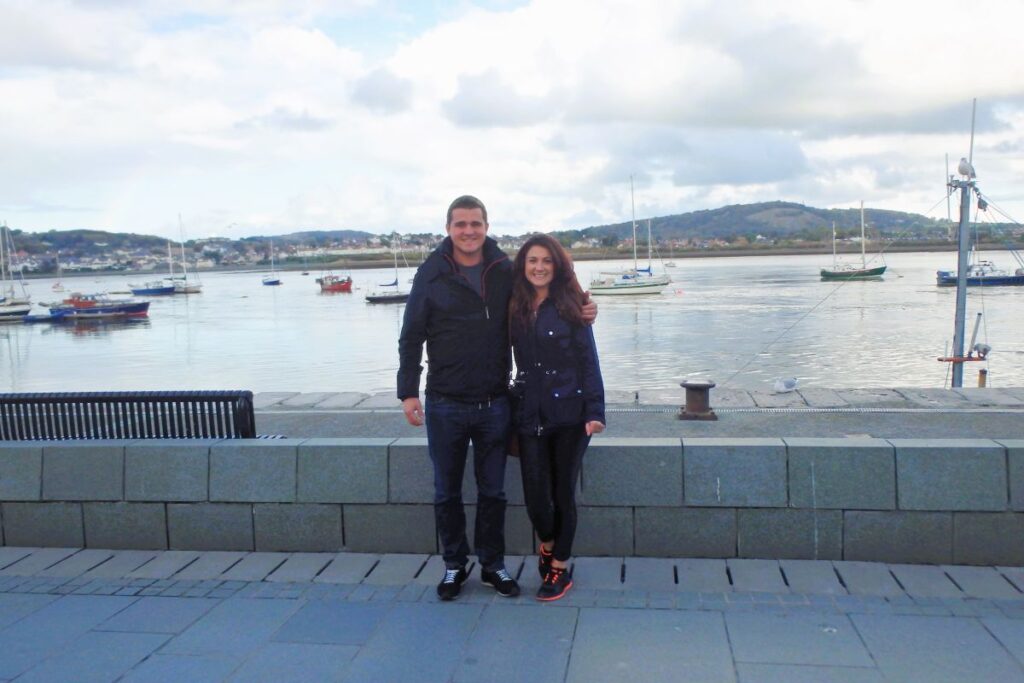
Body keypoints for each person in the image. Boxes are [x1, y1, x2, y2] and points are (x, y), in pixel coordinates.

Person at [508, 234, 605, 601]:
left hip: (571, 414)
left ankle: (560, 568)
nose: (539, 267)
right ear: (523, 265)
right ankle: (548, 543)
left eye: (546, 260)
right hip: (529, 412)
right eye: (532, 260)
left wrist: (596, 411)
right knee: (536, 496)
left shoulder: (572, 305)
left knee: (563, 492)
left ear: (557, 265)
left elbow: (588, 360)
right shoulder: (514, 304)